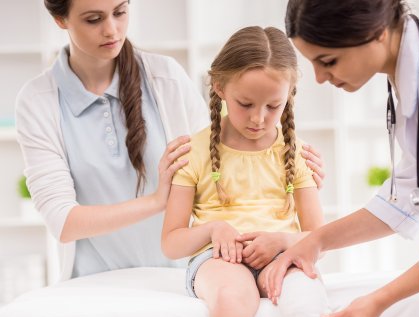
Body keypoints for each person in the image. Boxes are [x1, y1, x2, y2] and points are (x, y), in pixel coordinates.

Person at [15, 0, 324, 281]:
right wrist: (156, 201)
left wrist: (290, 171)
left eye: (120, 12)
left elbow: (221, 160)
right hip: (96, 283)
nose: (112, 29)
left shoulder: (165, 78)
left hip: (181, 278)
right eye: (93, 19)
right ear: (60, 19)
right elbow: (63, 221)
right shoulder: (38, 101)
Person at [266, 0, 419, 317]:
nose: (319, 78)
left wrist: (378, 301)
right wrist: (314, 241)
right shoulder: (412, 75)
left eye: (328, 61)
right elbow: (406, 197)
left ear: (375, 32)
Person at [161, 26, 333, 317]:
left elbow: (318, 238)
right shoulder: (193, 152)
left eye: (273, 106)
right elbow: (171, 243)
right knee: (232, 300)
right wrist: (214, 229)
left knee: (307, 299)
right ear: (219, 87)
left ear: (289, 95)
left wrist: (283, 241)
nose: (258, 118)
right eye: (245, 104)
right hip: (216, 260)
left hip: (284, 254)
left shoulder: (296, 153)